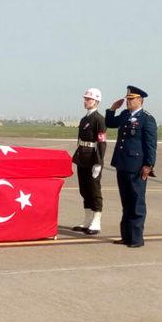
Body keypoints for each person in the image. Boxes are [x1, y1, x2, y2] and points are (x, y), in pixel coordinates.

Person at [105, 85, 157, 248]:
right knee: (126, 202)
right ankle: (126, 236)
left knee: (136, 203)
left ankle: (136, 239)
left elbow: (150, 144)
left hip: (137, 166)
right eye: (127, 99)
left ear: (140, 100)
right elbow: (110, 123)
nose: (128, 102)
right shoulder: (125, 114)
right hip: (122, 163)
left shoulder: (146, 119)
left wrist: (148, 165)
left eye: (131, 99)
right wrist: (112, 109)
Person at [72, 88, 107, 235]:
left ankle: (96, 220)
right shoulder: (84, 119)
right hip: (83, 158)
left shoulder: (99, 119)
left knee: (94, 190)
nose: (86, 101)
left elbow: (101, 142)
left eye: (89, 99)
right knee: (84, 190)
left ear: (97, 101)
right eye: (85, 99)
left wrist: (98, 163)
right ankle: (87, 220)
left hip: (93, 158)